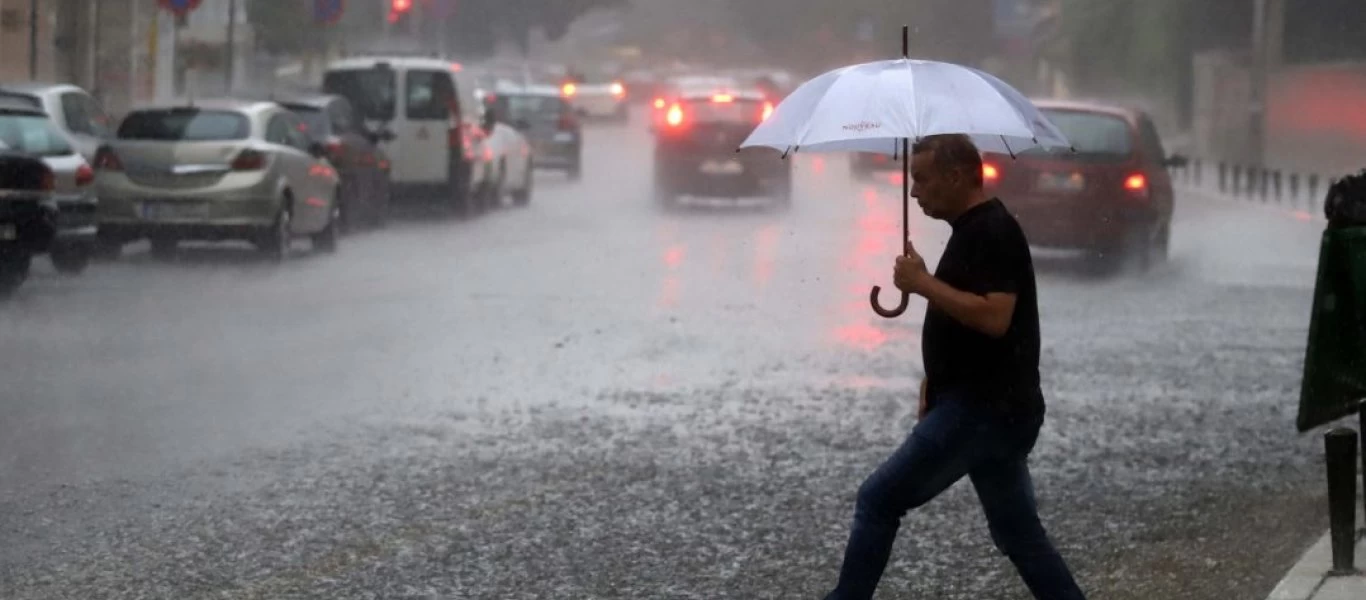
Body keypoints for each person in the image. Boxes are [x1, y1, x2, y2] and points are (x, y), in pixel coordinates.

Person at [823, 134, 1088, 600]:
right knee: (1019, 534)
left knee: (878, 499)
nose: (914, 192)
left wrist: (923, 283)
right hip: (993, 407)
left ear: (957, 176)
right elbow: (967, 319)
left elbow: (994, 317)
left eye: (922, 180)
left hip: (980, 410)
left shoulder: (993, 231)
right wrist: (936, 379)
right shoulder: (972, 232)